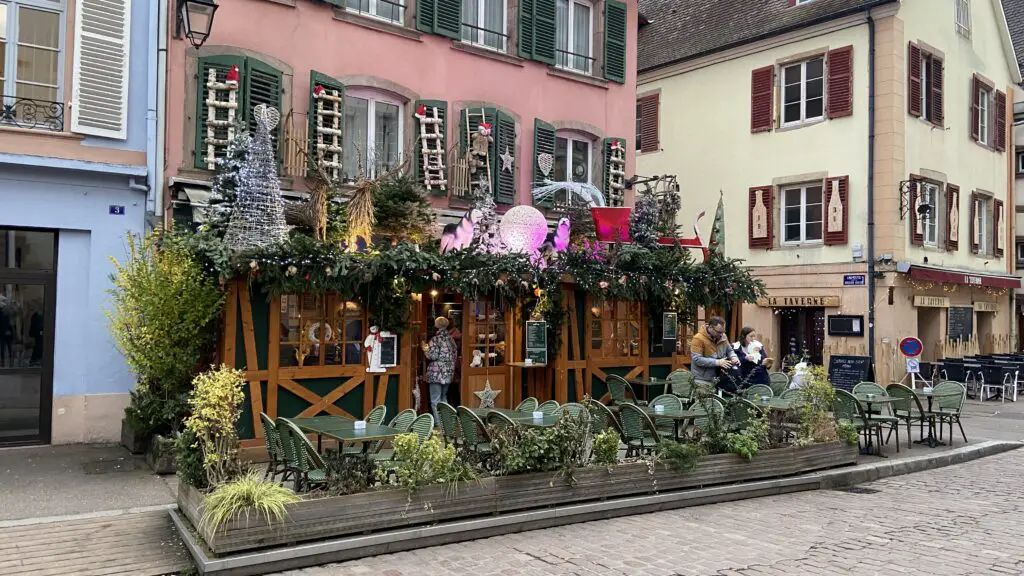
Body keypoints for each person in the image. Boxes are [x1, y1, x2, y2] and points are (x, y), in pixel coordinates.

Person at [690, 316, 740, 394]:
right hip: (702, 380)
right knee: (704, 401)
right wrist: (717, 362)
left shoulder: (723, 336)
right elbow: (697, 359)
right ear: (710, 327)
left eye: (723, 331)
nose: (721, 334)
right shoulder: (698, 339)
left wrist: (734, 357)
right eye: (719, 332)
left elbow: (729, 350)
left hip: (720, 378)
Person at [423, 316, 458, 424]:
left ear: (436, 326)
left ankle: (439, 424)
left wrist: (425, 349)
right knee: (443, 397)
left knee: (435, 400)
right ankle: (446, 423)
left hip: (436, 373)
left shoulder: (435, 339)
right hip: (448, 373)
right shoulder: (451, 340)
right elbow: (455, 355)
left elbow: (432, 356)